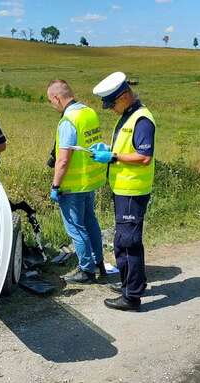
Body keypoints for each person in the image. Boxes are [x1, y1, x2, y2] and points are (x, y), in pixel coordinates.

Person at [90, 72, 156, 311]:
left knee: (127, 242)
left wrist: (114, 156)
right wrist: (108, 149)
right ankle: (136, 284)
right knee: (127, 240)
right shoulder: (129, 116)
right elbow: (128, 147)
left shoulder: (142, 120)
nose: (111, 109)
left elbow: (144, 156)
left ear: (125, 95)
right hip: (124, 188)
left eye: (113, 103)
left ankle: (131, 297)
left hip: (133, 190)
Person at [46, 79, 108, 284]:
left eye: (51, 101)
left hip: (72, 184)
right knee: (91, 223)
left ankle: (86, 270)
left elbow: (62, 160)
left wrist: (55, 186)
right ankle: (99, 263)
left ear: (57, 97)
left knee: (75, 227)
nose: (52, 106)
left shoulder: (68, 121)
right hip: (90, 180)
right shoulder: (89, 113)